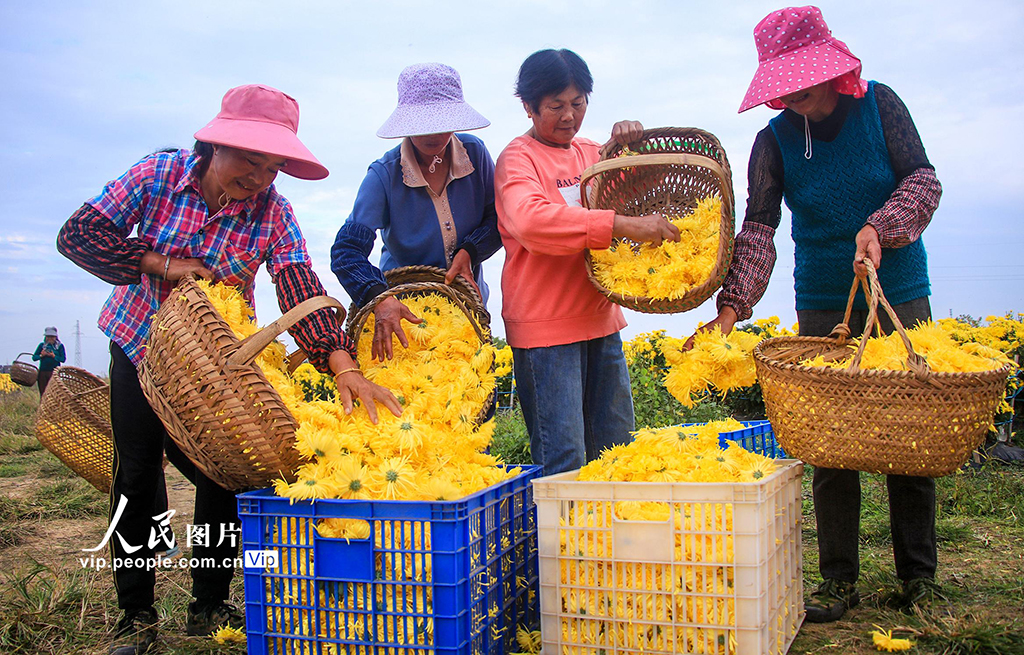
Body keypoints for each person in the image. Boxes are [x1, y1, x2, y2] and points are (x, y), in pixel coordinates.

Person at [56, 84, 401, 655]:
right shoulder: (157, 177)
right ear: (213, 145)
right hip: (140, 341)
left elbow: (298, 285)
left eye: (273, 166)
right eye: (249, 159)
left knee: (227, 477)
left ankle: (209, 603)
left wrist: (342, 366)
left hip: (217, 363)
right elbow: (80, 236)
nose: (261, 177)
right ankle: (136, 615)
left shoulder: (274, 213)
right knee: (137, 477)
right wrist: (159, 263)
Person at [701, 6, 943, 622]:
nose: (796, 99)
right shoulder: (773, 141)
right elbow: (758, 229)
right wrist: (732, 306)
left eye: (803, 85)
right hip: (822, 304)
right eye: (786, 90)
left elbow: (923, 180)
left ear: (831, 70)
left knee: (906, 434)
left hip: (898, 291)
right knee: (830, 440)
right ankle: (838, 581)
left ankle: (918, 575)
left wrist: (880, 228)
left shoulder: (880, 105)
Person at [495, 48, 681, 475]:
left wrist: (632, 143)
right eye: (555, 106)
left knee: (616, 450)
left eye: (578, 104)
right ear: (528, 106)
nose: (568, 116)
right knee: (565, 460)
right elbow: (531, 221)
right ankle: (562, 544)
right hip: (545, 328)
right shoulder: (518, 159)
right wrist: (621, 226)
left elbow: (642, 189)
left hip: (600, 318)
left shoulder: (592, 152)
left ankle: (610, 542)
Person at [331, 63, 501, 361]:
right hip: (400, 316)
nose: (432, 133)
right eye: (422, 122)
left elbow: (500, 219)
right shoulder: (384, 175)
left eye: (442, 121)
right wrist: (379, 297)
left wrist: (470, 252)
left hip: (465, 310)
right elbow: (346, 252)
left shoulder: (475, 153)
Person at [32, 326, 66, 395]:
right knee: (43, 392)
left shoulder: (60, 346)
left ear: (55, 337)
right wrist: (41, 355)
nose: (50, 339)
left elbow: (63, 359)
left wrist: (54, 356)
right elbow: (34, 357)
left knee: (54, 392)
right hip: (42, 372)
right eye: (48, 337)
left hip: (54, 372)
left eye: (52, 337)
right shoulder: (42, 345)